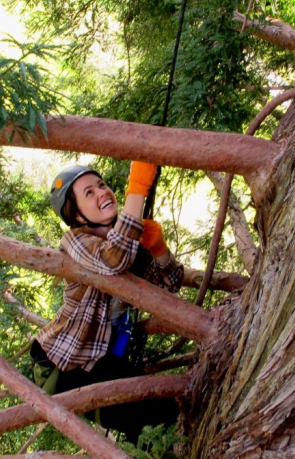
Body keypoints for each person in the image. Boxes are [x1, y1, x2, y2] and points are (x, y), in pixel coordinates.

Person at [31, 161, 183, 443]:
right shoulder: (76, 241)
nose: (102, 192)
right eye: (89, 193)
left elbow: (168, 284)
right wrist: (137, 191)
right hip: (65, 366)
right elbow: (111, 261)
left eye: (101, 185)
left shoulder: (126, 243)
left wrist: (159, 248)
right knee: (158, 413)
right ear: (76, 215)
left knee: (157, 413)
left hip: (100, 361)